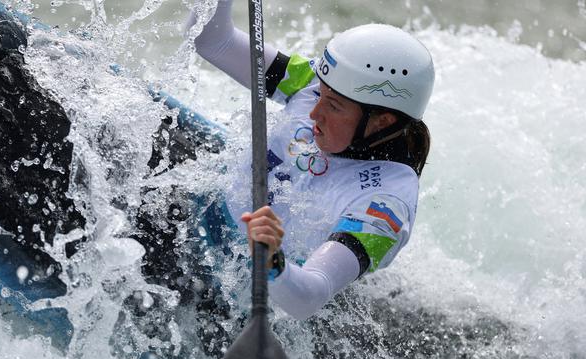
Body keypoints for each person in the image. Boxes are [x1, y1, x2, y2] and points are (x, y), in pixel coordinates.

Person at [186, 0, 435, 319]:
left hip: (242, 281)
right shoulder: (312, 84)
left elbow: (306, 299)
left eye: (333, 106)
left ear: (382, 121)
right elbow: (211, 41)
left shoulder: (384, 207)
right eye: (321, 94)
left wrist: (272, 259)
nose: (314, 112)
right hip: (208, 196)